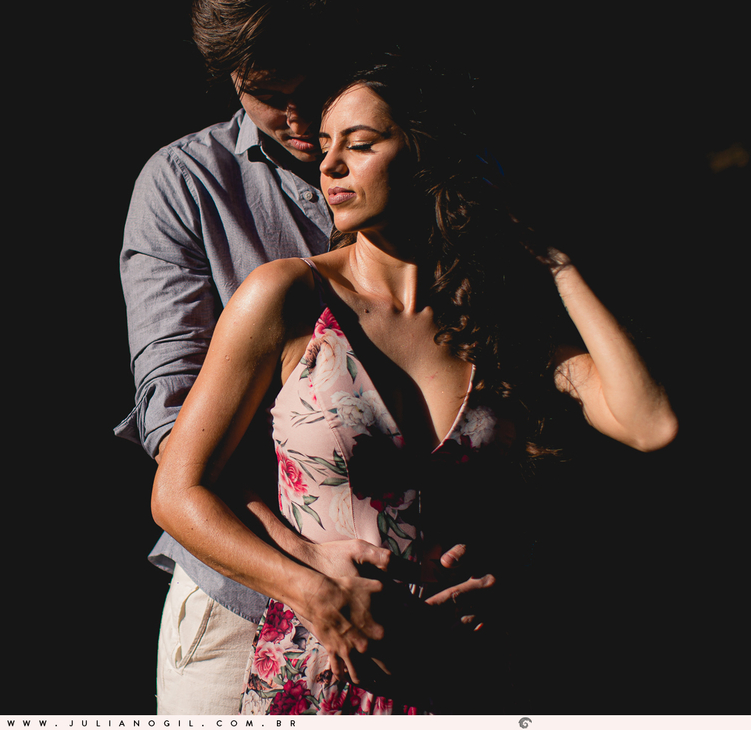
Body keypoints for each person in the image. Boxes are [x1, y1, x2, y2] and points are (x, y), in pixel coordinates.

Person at [150, 56, 678, 714]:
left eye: (361, 144)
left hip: (466, 684)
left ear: (428, 156)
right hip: (316, 680)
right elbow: (176, 491)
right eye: (328, 146)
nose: (330, 164)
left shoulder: (491, 319)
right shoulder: (288, 296)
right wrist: (312, 590)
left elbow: (651, 421)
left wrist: (553, 261)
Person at [117, 0, 492, 715]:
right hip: (239, 602)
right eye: (265, 91)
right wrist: (307, 570)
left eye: (308, 83)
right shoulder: (185, 187)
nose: (294, 115)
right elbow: (176, 432)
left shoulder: (413, 177)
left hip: (412, 614)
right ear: (231, 77)